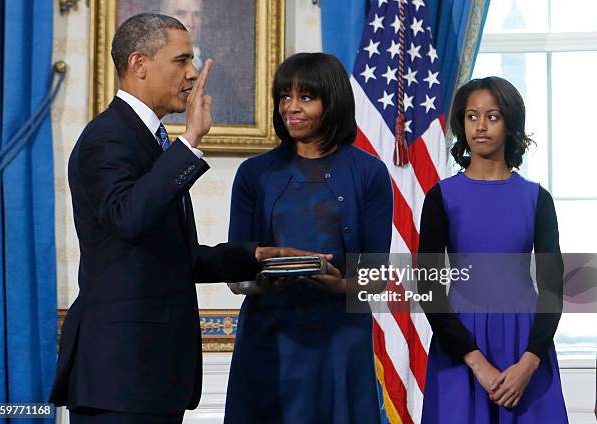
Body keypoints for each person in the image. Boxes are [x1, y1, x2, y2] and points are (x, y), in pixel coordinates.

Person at [49, 13, 313, 423]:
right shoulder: (107, 138)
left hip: (154, 376)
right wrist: (190, 142)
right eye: (181, 60)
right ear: (139, 64)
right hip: (120, 375)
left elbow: (176, 257)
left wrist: (256, 255)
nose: (191, 73)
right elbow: (129, 219)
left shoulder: (152, 142)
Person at [224, 52, 393, 423]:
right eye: (285, 97)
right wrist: (263, 275)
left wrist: (339, 285)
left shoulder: (370, 173)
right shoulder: (254, 174)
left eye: (305, 97)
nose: (291, 108)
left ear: (331, 102)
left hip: (340, 338)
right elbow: (235, 268)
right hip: (269, 336)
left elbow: (376, 275)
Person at [418, 76, 567, 423]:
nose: (480, 126)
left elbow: (553, 289)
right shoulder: (441, 197)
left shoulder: (537, 199)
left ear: (510, 123)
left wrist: (530, 363)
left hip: (526, 345)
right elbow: (428, 287)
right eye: (472, 117)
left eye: (492, 116)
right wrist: (477, 362)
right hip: (460, 346)